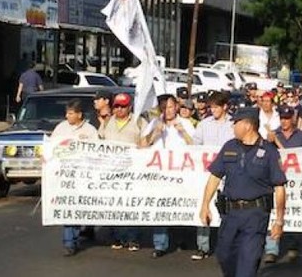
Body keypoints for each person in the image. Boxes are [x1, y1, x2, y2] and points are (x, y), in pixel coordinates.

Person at [199, 107, 287, 277]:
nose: (233, 127)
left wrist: (279, 220)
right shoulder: (229, 146)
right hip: (230, 215)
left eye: (236, 123)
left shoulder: (269, 152)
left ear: (247, 125)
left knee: (247, 265)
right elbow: (215, 177)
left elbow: (279, 187)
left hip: (255, 216)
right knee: (224, 256)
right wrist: (204, 205)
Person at [139, 94, 195, 258]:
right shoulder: (154, 123)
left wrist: (183, 132)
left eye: (170, 107)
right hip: (160, 175)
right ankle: (160, 244)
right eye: (163, 108)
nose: (167, 111)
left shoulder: (185, 123)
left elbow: (197, 147)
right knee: (160, 208)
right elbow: (141, 145)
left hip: (181, 174)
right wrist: (155, 133)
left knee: (179, 207)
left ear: (176, 107)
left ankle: (180, 238)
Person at [98, 93, 148, 252]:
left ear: (130, 107)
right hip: (111, 172)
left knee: (131, 205)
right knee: (114, 205)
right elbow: (98, 143)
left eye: (123, 106)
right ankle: (117, 237)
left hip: (132, 171)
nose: (119, 109)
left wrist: (143, 147)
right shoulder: (107, 122)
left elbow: (146, 143)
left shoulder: (139, 121)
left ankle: (132, 238)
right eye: (117, 106)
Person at [51, 99, 99, 257]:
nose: (67, 116)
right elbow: (52, 147)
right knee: (68, 208)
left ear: (79, 114)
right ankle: (69, 243)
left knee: (79, 208)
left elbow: (98, 151)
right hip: (66, 178)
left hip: (84, 177)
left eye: (71, 113)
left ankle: (84, 230)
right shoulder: (61, 128)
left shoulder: (90, 130)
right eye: (67, 113)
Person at [264, 105, 302, 263]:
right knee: (274, 212)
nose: (284, 121)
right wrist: (270, 141)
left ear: (293, 118)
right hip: (276, 179)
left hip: (296, 181)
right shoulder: (273, 135)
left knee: (293, 211)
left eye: (287, 118)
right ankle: (272, 249)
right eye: (282, 118)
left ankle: (292, 246)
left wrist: (277, 142)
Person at [190, 91, 235, 260]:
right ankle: (203, 246)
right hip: (207, 171)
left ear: (225, 106)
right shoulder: (204, 124)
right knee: (204, 204)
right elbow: (195, 146)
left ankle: (226, 246)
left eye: (216, 106)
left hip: (228, 172)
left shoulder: (233, 124)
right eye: (212, 106)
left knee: (226, 210)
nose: (213, 109)